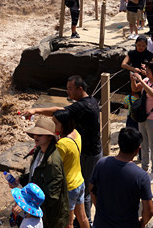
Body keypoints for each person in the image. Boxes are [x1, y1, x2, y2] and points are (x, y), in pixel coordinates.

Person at [24, 76, 101, 221]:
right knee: (85, 192)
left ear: (80, 89)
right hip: (87, 157)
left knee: (72, 215)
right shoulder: (89, 104)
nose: (68, 92)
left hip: (87, 158)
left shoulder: (81, 108)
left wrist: (36, 110)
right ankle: (86, 221)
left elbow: (58, 111)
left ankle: (84, 220)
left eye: (70, 89)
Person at [90, 127, 153, 228]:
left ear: (119, 143)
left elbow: (92, 190)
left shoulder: (101, 164)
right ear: (138, 149)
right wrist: (142, 222)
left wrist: (100, 209)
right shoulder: (141, 176)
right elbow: (149, 211)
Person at [14, 117, 70, 228]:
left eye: (40, 135)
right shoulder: (38, 151)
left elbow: (52, 196)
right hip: (38, 211)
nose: (35, 137)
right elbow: (35, 175)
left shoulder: (52, 162)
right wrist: (21, 179)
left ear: (50, 137)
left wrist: (26, 205)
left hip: (50, 216)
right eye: (34, 134)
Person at [52, 110, 90, 228]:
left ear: (64, 124)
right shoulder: (76, 134)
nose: (53, 125)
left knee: (68, 223)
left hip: (68, 187)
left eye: (56, 123)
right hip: (79, 182)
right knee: (82, 217)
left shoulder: (62, 144)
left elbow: (54, 165)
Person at [130, 62, 153, 183]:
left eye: (148, 70)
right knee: (144, 144)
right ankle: (144, 168)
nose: (146, 72)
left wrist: (141, 80)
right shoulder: (147, 80)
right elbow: (135, 89)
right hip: (143, 117)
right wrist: (133, 80)